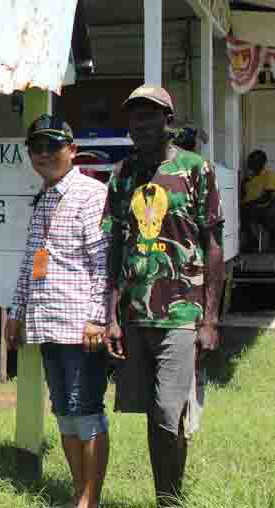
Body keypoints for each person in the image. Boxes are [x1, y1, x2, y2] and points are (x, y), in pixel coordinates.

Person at [103, 85, 224, 508]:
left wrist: (210, 319)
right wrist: (112, 316)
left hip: (181, 314)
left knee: (168, 414)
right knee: (153, 417)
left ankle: (169, 501)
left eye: (150, 115)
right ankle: (167, 497)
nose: (142, 124)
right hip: (136, 315)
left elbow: (213, 245)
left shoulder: (196, 170)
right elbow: (115, 245)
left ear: (167, 121)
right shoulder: (122, 175)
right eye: (135, 116)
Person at [6, 115, 110, 508]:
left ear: (72, 150)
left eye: (53, 145)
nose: (45, 154)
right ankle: (77, 491)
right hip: (46, 323)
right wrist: (16, 311)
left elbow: (103, 262)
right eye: (37, 147)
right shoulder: (43, 195)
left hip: (80, 326)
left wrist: (97, 317)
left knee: (86, 410)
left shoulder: (90, 194)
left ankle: (90, 499)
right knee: (64, 412)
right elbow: (32, 260)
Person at [241, 149, 275, 251]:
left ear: (262, 162)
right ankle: (251, 241)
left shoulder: (269, 175)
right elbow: (242, 196)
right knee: (240, 211)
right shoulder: (248, 180)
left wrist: (250, 204)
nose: (251, 164)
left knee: (245, 211)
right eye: (250, 161)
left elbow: (267, 196)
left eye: (255, 161)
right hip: (249, 208)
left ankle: (254, 241)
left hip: (265, 207)